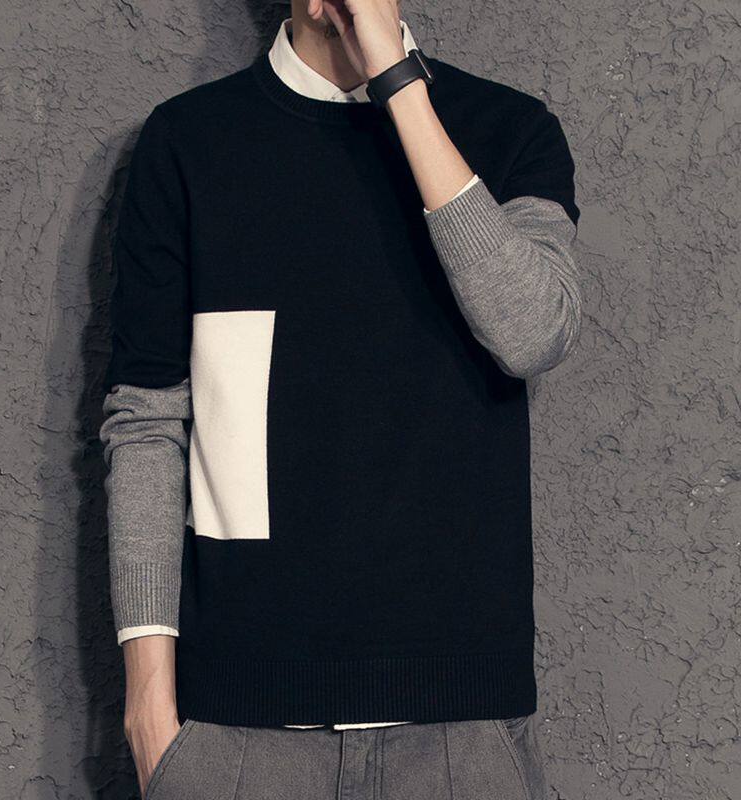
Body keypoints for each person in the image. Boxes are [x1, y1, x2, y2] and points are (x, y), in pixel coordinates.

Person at [99, 1, 582, 797]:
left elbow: (533, 333)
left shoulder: (507, 130)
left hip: (459, 740)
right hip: (235, 737)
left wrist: (399, 85)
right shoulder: (191, 141)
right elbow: (147, 421)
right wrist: (149, 711)